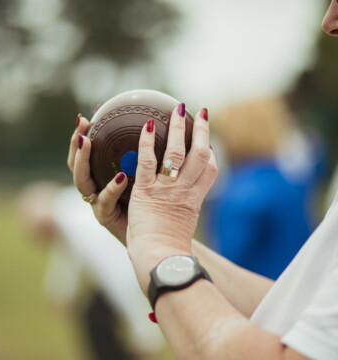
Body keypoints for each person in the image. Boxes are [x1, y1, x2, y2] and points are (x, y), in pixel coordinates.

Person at [68, 2, 338, 359]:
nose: (329, 19)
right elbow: (296, 310)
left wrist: (163, 251)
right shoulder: (293, 180)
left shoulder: (241, 193)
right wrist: (144, 233)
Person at [17, 182, 164, 360]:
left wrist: (144, 336)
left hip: (140, 271)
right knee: (94, 313)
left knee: (96, 317)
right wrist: (62, 293)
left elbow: (116, 275)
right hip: (131, 271)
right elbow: (70, 258)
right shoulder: (69, 210)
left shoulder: (77, 223)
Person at [204, 98, 318, 280]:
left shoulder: (239, 193)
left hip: (257, 300)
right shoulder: (292, 182)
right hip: (299, 289)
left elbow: (226, 262)